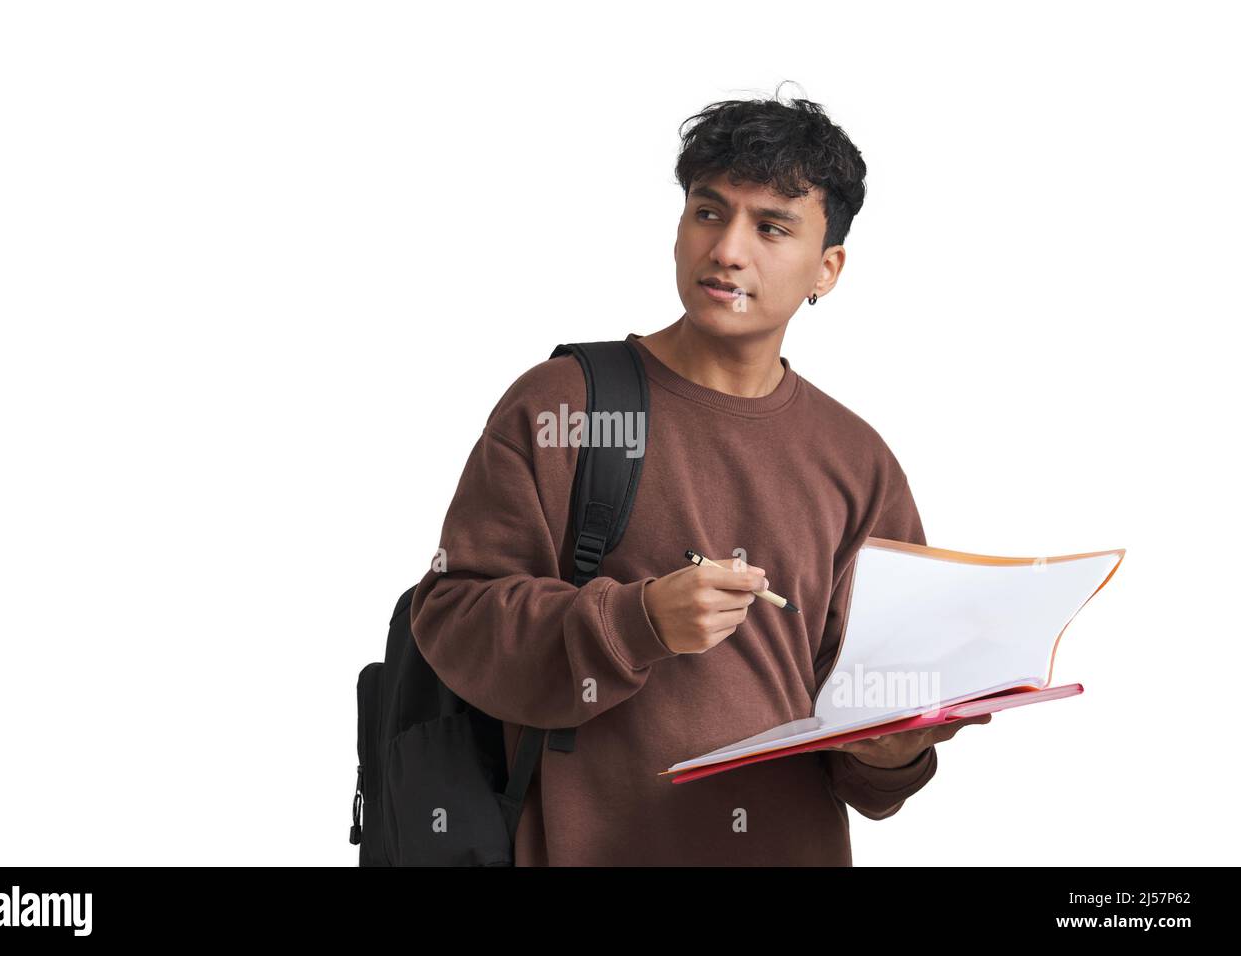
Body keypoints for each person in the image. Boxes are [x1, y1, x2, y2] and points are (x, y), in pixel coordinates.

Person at [409, 86, 989, 865]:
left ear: (828, 268)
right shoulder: (564, 404)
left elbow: (869, 734)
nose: (727, 250)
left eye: (771, 226)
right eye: (708, 212)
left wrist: (893, 753)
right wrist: (636, 622)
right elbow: (452, 616)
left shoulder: (858, 462)